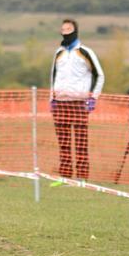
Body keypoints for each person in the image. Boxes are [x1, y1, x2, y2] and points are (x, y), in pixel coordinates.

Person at [50, 18, 104, 180]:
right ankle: (65, 177)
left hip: (79, 103)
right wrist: (51, 99)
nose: (65, 32)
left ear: (75, 31)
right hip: (60, 103)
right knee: (63, 142)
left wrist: (94, 97)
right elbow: (52, 77)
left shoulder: (85, 52)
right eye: (63, 30)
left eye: (69, 29)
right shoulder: (58, 53)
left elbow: (99, 75)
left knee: (81, 142)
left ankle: (82, 177)